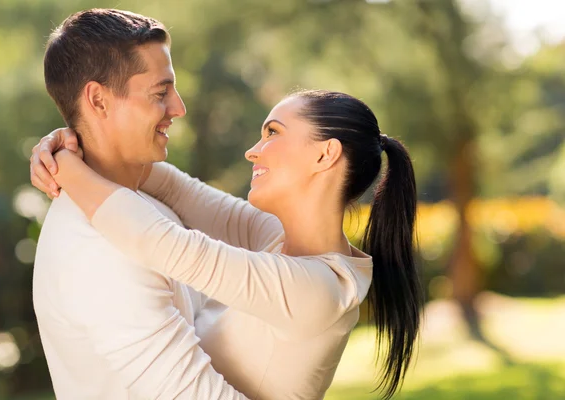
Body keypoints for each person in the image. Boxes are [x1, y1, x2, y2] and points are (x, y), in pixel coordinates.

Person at [32, 86, 424, 399]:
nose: (253, 150)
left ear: (325, 154)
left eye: (273, 133)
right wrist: (78, 143)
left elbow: (162, 244)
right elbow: (173, 187)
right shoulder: (278, 241)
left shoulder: (317, 291)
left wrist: (65, 166)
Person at [33, 8, 249, 399]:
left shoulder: (140, 201)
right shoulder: (98, 249)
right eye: (160, 93)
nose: (178, 108)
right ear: (98, 100)